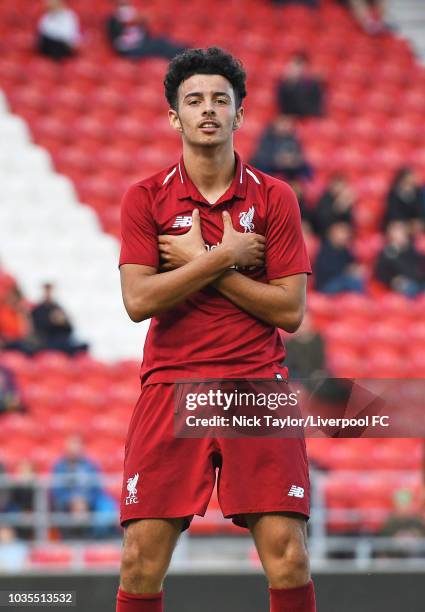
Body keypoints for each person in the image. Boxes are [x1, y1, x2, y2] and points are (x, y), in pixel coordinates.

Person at [117, 47, 315, 612]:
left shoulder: (275, 197)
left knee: (289, 555)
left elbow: (289, 312)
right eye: (194, 100)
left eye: (220, 100)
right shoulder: (144, 198)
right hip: (171, 384)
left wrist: (198, 259)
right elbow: (137, 300)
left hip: (255, 385)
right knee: (140, 560)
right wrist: (223, 257)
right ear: (175, 117)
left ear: (240, 114)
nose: (208, 110)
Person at [51, 435, 102, 539]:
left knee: (105, 507)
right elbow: (56, 491)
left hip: (87, 502)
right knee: (58, 507)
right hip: (66, 503)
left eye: (76, 445)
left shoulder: (91, 465)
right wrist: (72, 500)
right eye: (71, 445)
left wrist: (85, 501)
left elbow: (97, 489)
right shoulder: (59, 466)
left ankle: (94, 538)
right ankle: (66, 538)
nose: (73, 449)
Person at [106, 0, 185, 60]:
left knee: (161, 41)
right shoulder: (113, 21)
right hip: (129, 50)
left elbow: (146, 33)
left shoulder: (137, 21)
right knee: (159, 45)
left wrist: (141, 22)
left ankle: (184, 54)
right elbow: (116, 42)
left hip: (141, 44)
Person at [250, 115, 312, 181]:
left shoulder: (292, 138)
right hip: (270, 168)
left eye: (287, 123)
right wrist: (276, 160)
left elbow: (298, 156)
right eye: (282, 123)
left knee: (305, 167)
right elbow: (261, 157)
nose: (285, 126)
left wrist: (294, 160)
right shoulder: (266, 138)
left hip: (288, 169)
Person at [31, 283, 88, 355]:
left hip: (62, 339)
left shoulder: (58, 308)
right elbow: (38, 328)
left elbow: (69, 329)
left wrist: (63, 322)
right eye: (47, 290)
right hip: (48, 340)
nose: (48, 293)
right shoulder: (38, 310)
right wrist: (51, 321)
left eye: (50, 290)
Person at [374, 221, 425, 297]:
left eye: (401, 231)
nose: (399, 234)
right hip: (400, 285)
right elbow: (380, 273)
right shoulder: (386, 252)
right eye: (396, 231)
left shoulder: (412, 249)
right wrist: (392, 280)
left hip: (417, 280)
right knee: (409, 289)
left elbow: (417, 268)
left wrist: (405, 249)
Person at [314, 222, 364, 293]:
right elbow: (326, 271)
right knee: (351, 281)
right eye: (342, 233)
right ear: (332, 234)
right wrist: (347, 270)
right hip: (326, 284)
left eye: (346, 233)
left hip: (341, 280)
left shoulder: (345, 250)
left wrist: (356, 269)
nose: (345, 236)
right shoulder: (324, 250)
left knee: (358, 278)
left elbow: (352, 263)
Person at [277, 53, 324, 118]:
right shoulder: (285, 85)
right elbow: (282, 105)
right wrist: (289, 85)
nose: (294, 68)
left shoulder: (313, 84)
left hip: (308, 117)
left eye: (298, 65)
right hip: (290, 118)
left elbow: (315, 106)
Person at [284, 312, 327, 380]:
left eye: (304, 325)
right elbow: (289, 368)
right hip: (299, 381)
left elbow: (325, 363)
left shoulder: (320, 339)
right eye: (299, 325)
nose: (302, 328)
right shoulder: (289, 345)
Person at [382, 167, 425, 234]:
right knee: (398, 229)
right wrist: (405, 224)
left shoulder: (418, 192)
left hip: (414, 224)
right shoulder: (394, 193)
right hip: (399, 223)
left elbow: (420, 209)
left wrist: (417, 221)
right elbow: (393, 212)